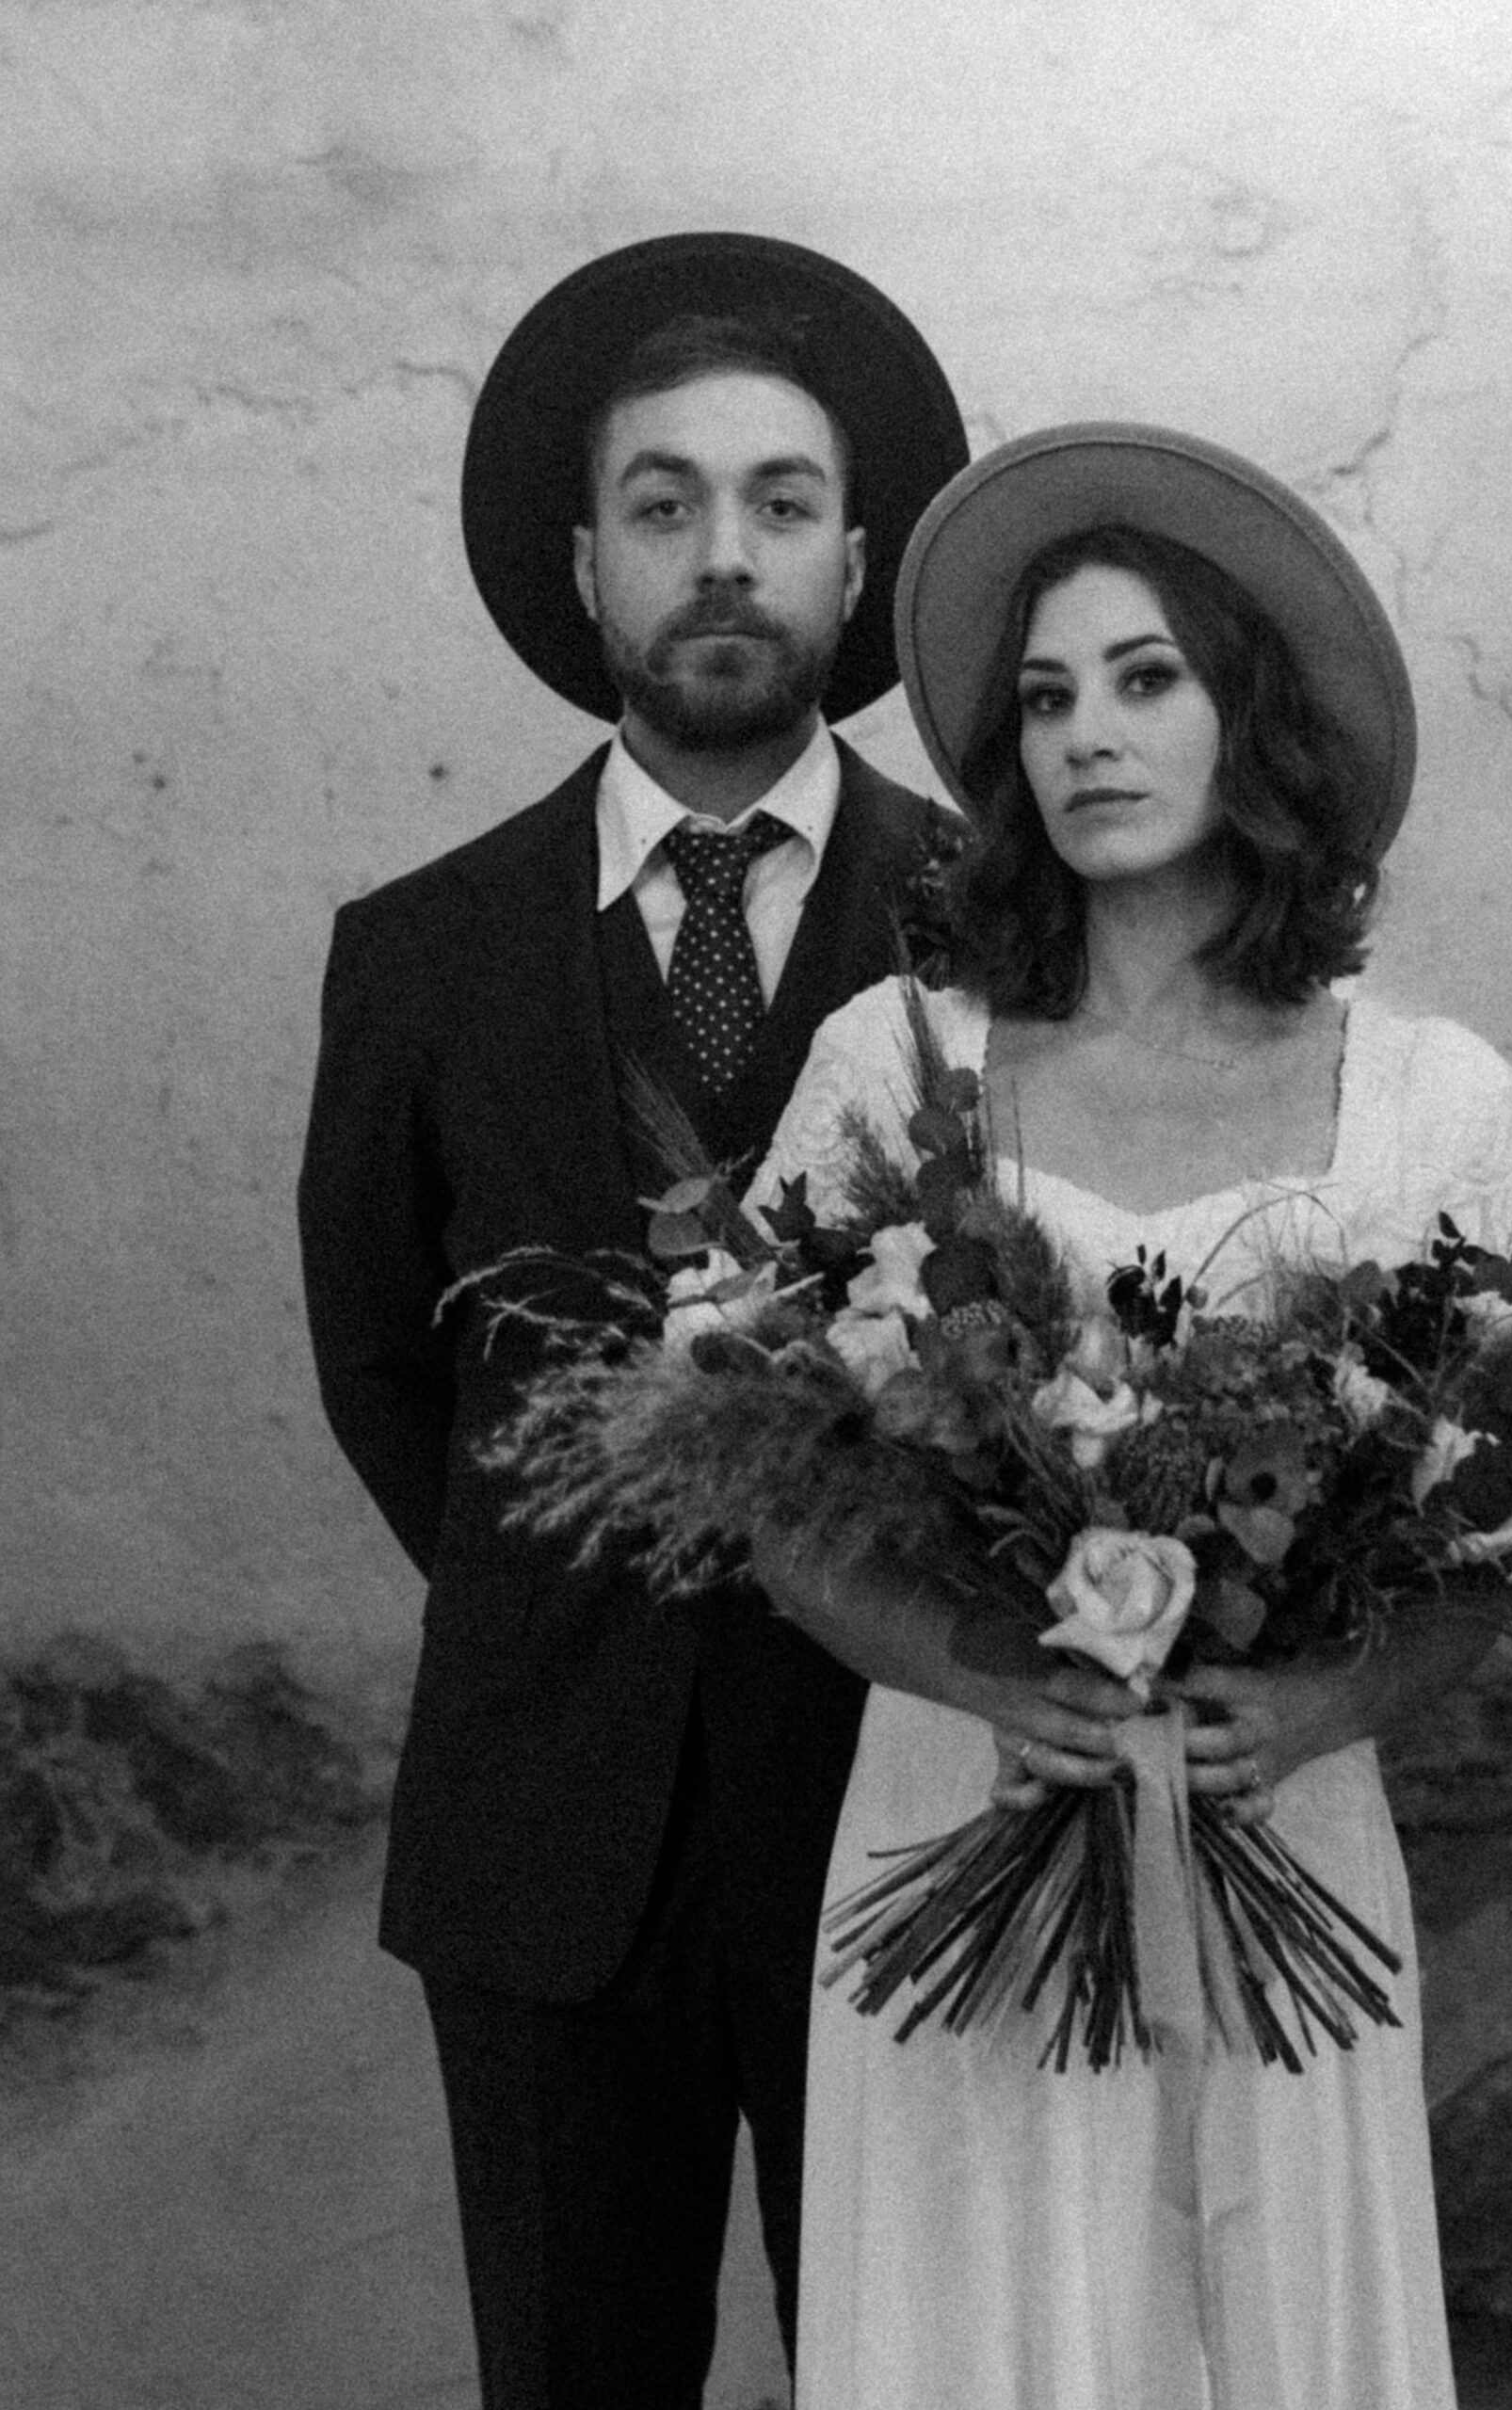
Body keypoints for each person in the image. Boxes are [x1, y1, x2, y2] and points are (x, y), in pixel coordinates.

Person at [747, 424, 1512, 2409]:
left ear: (1250, 725)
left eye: (1144, 680)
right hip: (964, 1805)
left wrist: (1318, 1703)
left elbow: (1498, 1529)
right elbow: (770, 1483)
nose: (1086, 737)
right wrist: (968, 1666)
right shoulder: (894, 1062)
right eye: (1045, 699)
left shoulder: (1429, 1100)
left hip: (1274, 1819)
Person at [295, 233, 967, 2409]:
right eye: (662, 504)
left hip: (910, 1801)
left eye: (779, 501)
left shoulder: (998, 928)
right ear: (586, 566)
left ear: (854, 562)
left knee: (920, 2369)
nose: (721, 553)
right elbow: (384, 1360)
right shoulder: (424, 951)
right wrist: (568, 1580)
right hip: (542, 1829)